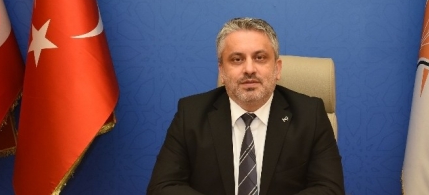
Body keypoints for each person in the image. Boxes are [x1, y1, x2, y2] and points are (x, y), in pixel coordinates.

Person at [147, 17, 345, 195]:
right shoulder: (191, 114)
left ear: (277, 69)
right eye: (237, 59)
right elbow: (162, 187)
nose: (249, 69)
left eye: (260, 58)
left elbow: (330, 189)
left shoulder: (310, 115)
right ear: (222, 71)